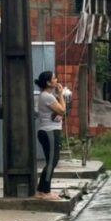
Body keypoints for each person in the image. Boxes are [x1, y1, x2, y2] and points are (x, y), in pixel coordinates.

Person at [34, 71, 66, 200]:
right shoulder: (47, 96)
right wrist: (61, 95)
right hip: (49, 132)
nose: (56, 79)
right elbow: (62, 110)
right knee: (52, 161)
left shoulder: (47, 96)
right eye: (54, 78)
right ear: (48, 82)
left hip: (49, 130)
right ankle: (45, 191)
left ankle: (42, 189)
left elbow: (57, 112)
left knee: (51, 161)